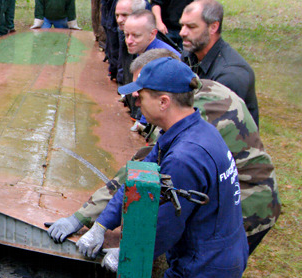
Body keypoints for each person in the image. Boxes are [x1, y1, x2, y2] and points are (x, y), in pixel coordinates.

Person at [72, 58, 249, 278]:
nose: (135, 100)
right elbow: (138, 176)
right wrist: (101, 224)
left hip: (206, 265)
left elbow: (162, 226)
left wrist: (126, 252)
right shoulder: (187, 130)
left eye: (141, 95)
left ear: (164, 101)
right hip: (211, 249)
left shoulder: (185, 157)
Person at [47, 48, 280, 255]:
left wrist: (84, 219)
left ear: (164, 93)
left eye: (143, 90)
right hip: (224, 190)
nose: (136, 99)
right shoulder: (194, 93)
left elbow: (144, 172)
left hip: (249, 203)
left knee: (201, 266)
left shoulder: (191, 117)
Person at [179, 0, 259, 127]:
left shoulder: (231, 74)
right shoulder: (189, 56)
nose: (182, 32)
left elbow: (211, 129)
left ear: (213, 27)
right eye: (182, 25)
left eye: (191, 27)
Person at [89, 0, 148, 81]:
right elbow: (110, 40)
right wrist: (112, 69)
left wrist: (121, 77)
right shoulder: (104, 1)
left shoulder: (123, 2)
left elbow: (125, 46)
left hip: (128, 70)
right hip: (116, 67)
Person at [119, 9, 178, 86]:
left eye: (136, 36)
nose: (128, 41)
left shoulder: (164, 60)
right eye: (126, 35)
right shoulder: (138, 48)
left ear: (152, 34)